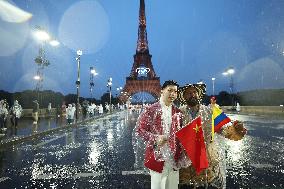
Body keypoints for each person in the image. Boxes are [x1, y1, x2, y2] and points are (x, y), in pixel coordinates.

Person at [177, 83, 247, 189]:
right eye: (189, 93)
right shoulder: (178, 113)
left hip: (207, 162)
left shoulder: (210, 111)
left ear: (198, 95)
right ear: (184, 97)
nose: (192, 95)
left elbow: (223, 130)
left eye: (194, 92)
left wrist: (236, 131)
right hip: (186, 165)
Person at [135, 80, 189, 189]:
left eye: (175, 91)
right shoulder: (150, 110)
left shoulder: (178, 112)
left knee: (173, 186)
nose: (172, 94)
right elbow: (140, 130)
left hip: (174, 157)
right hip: (156, 154)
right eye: (169, 90)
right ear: (162, 91)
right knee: (158, 186)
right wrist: (155, 138)